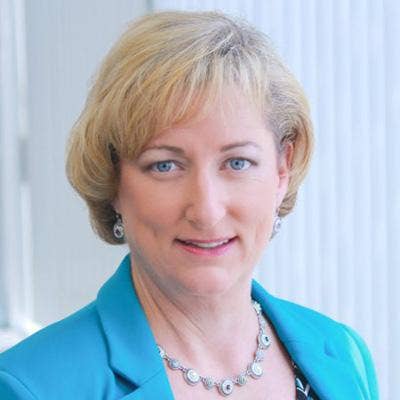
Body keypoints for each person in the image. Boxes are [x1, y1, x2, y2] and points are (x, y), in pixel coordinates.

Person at [0, 10, 378, 400]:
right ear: (113, 179)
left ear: (282, 169)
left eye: (237, 163)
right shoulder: (31, 387)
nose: (207, 211)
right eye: (165, 165)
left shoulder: (342, 353)